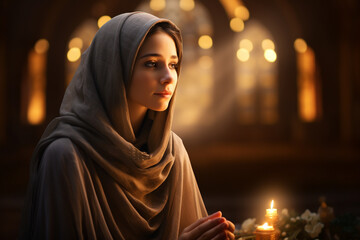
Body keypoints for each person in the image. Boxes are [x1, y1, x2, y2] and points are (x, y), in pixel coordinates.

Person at [19, 12, 235, 239]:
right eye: (152, 64)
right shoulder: (65, 156)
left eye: (173, 64)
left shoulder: (172, 152)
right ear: (114, 69)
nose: (169, 77)